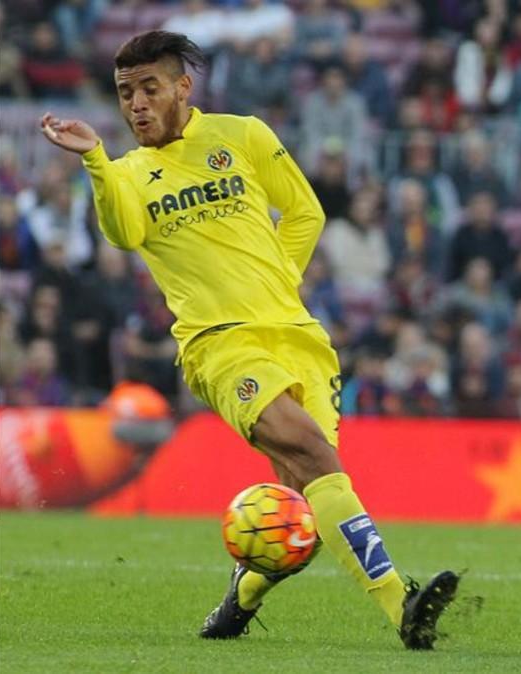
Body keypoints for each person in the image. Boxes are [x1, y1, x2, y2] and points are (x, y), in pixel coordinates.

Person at [39, 30, 458, 649]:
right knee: (315, 453)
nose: (136, 105)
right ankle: (405, 609)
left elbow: (306, 213)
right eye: (125, 93)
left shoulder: (243, 136)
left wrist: (273, 286)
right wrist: (96, 161)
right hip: (219, 346)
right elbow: (124, 233)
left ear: (183, 87)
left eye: (149, 88)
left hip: (297, 337)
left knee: (306, 515)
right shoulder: (127, 172)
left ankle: (239, 600)